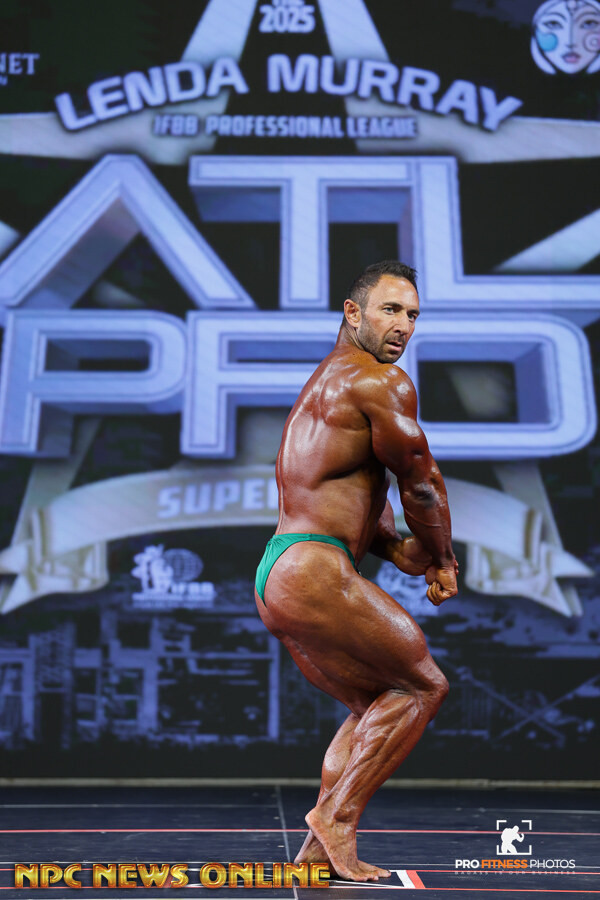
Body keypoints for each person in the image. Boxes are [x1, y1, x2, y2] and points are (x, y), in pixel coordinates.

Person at [254, 260, 458, 882]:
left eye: (413, 315)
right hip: (314, 567)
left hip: (283, 569)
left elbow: (347, 493)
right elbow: (421, 483)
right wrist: (442, 558)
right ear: (353, 312)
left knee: (376, 702)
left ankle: (320, 849)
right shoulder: (380, 382)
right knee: (422, 687)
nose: (403, 326)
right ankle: (336, 818)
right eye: (390, 310)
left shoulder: (328, 382)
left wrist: (397, 552)